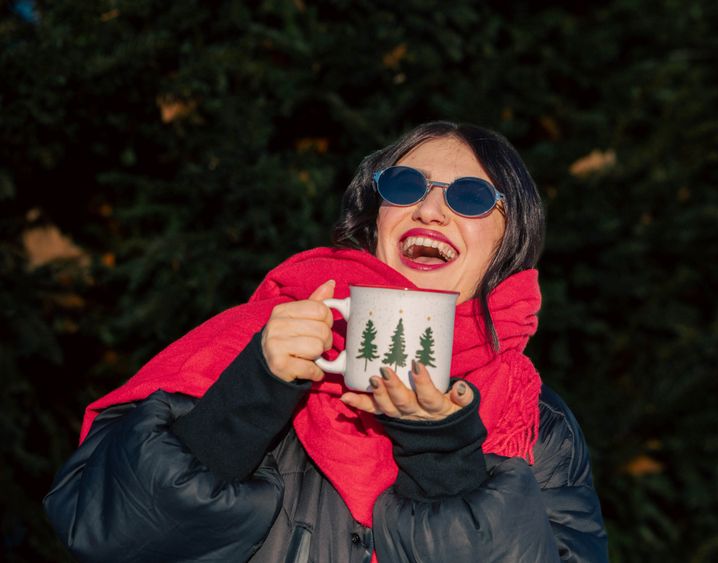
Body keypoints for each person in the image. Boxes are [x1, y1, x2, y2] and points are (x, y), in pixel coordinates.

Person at [44, 122, 608, 562]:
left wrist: (443, 453)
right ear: (375, 216)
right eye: (406, 186)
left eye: (469, 197)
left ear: (510, 237)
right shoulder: (250, 346)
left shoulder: (536, 422)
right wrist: (253, 390)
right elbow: (111, 536)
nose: (430, 209)